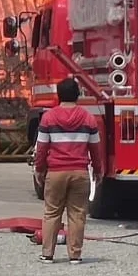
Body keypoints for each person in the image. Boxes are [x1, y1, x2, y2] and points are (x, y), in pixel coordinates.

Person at [33, 77, 104, 264]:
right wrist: (98, 170)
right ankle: (75, 255)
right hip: (79, 172)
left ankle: (47, 254)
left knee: (51, 213)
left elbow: (41, 148)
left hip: (56, 171)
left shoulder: (48, 117)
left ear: (58, 95)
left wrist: (39, 170)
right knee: (77, 213)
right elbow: (95, 149)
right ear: (78, 95)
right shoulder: (88, 118)